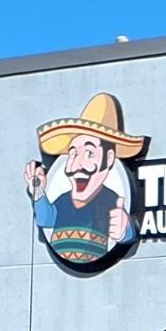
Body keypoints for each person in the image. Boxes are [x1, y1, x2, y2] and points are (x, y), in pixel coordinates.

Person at [25, 92, 147, 265]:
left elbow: (125, 230)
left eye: (89, 153)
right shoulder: (63, 200)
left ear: (109, 158)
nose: (77, 165)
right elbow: (46, 219)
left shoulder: (111, 201)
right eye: (73, 154)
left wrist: (125, 232)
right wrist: (38, 192)